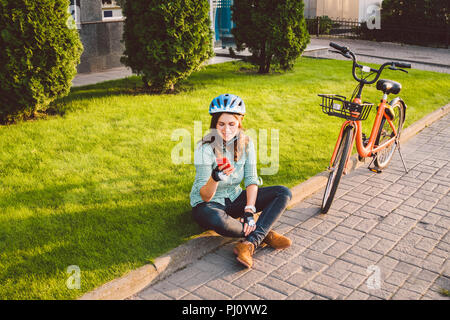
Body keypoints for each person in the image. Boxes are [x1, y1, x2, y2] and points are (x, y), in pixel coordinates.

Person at [189, 93, 293, 268]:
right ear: (214, 124)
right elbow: (205, 196)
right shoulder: (205, 149)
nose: (226, 129)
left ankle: (248, 244)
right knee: (219, 222)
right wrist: (215, 177)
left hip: (235, 197)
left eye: (232, 124)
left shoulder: (246, 143)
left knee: (283, 192)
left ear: (239, 122)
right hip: (208, 205)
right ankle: (264, 233)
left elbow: (252, 179)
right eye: (221, 124)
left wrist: (249, 211)